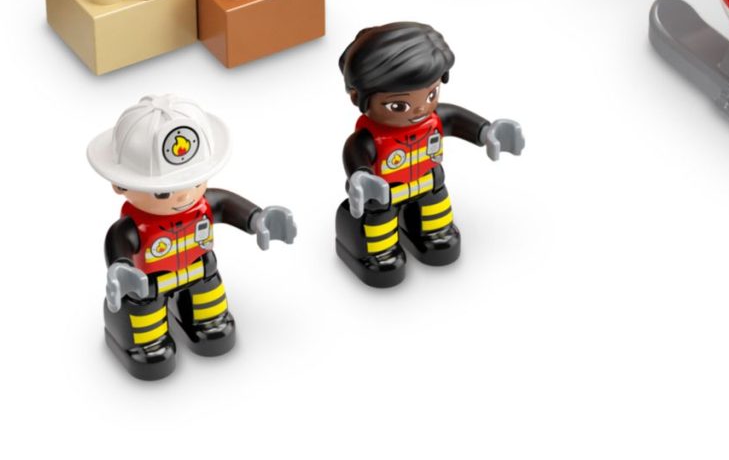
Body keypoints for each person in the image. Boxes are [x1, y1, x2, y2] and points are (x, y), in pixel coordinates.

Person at [90, 93, 294, 381]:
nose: (185, 195)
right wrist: (121, 270)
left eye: (195, 181)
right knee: (143, 319)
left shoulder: (204, 205)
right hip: (149, 285)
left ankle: (206, 321)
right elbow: (118, 244)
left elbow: (228, 206)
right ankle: (146, 343)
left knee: (213, 318)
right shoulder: (133, 227)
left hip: (200, 272)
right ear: (120, 185)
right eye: (163, 192)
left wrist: (257, 218)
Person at [333, 20, 524, 286]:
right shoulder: (370, 139)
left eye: (431, 94)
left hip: (429, 184)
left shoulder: (434, 118)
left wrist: (486, 131)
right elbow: (355, 154)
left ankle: (432, 233)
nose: (420, 109)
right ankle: (380, 252)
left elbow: (458, 120)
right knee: (379, 229)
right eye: (399, 105)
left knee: (438, 221)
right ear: (358, 98)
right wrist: (361, 177)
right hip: (385, 195)